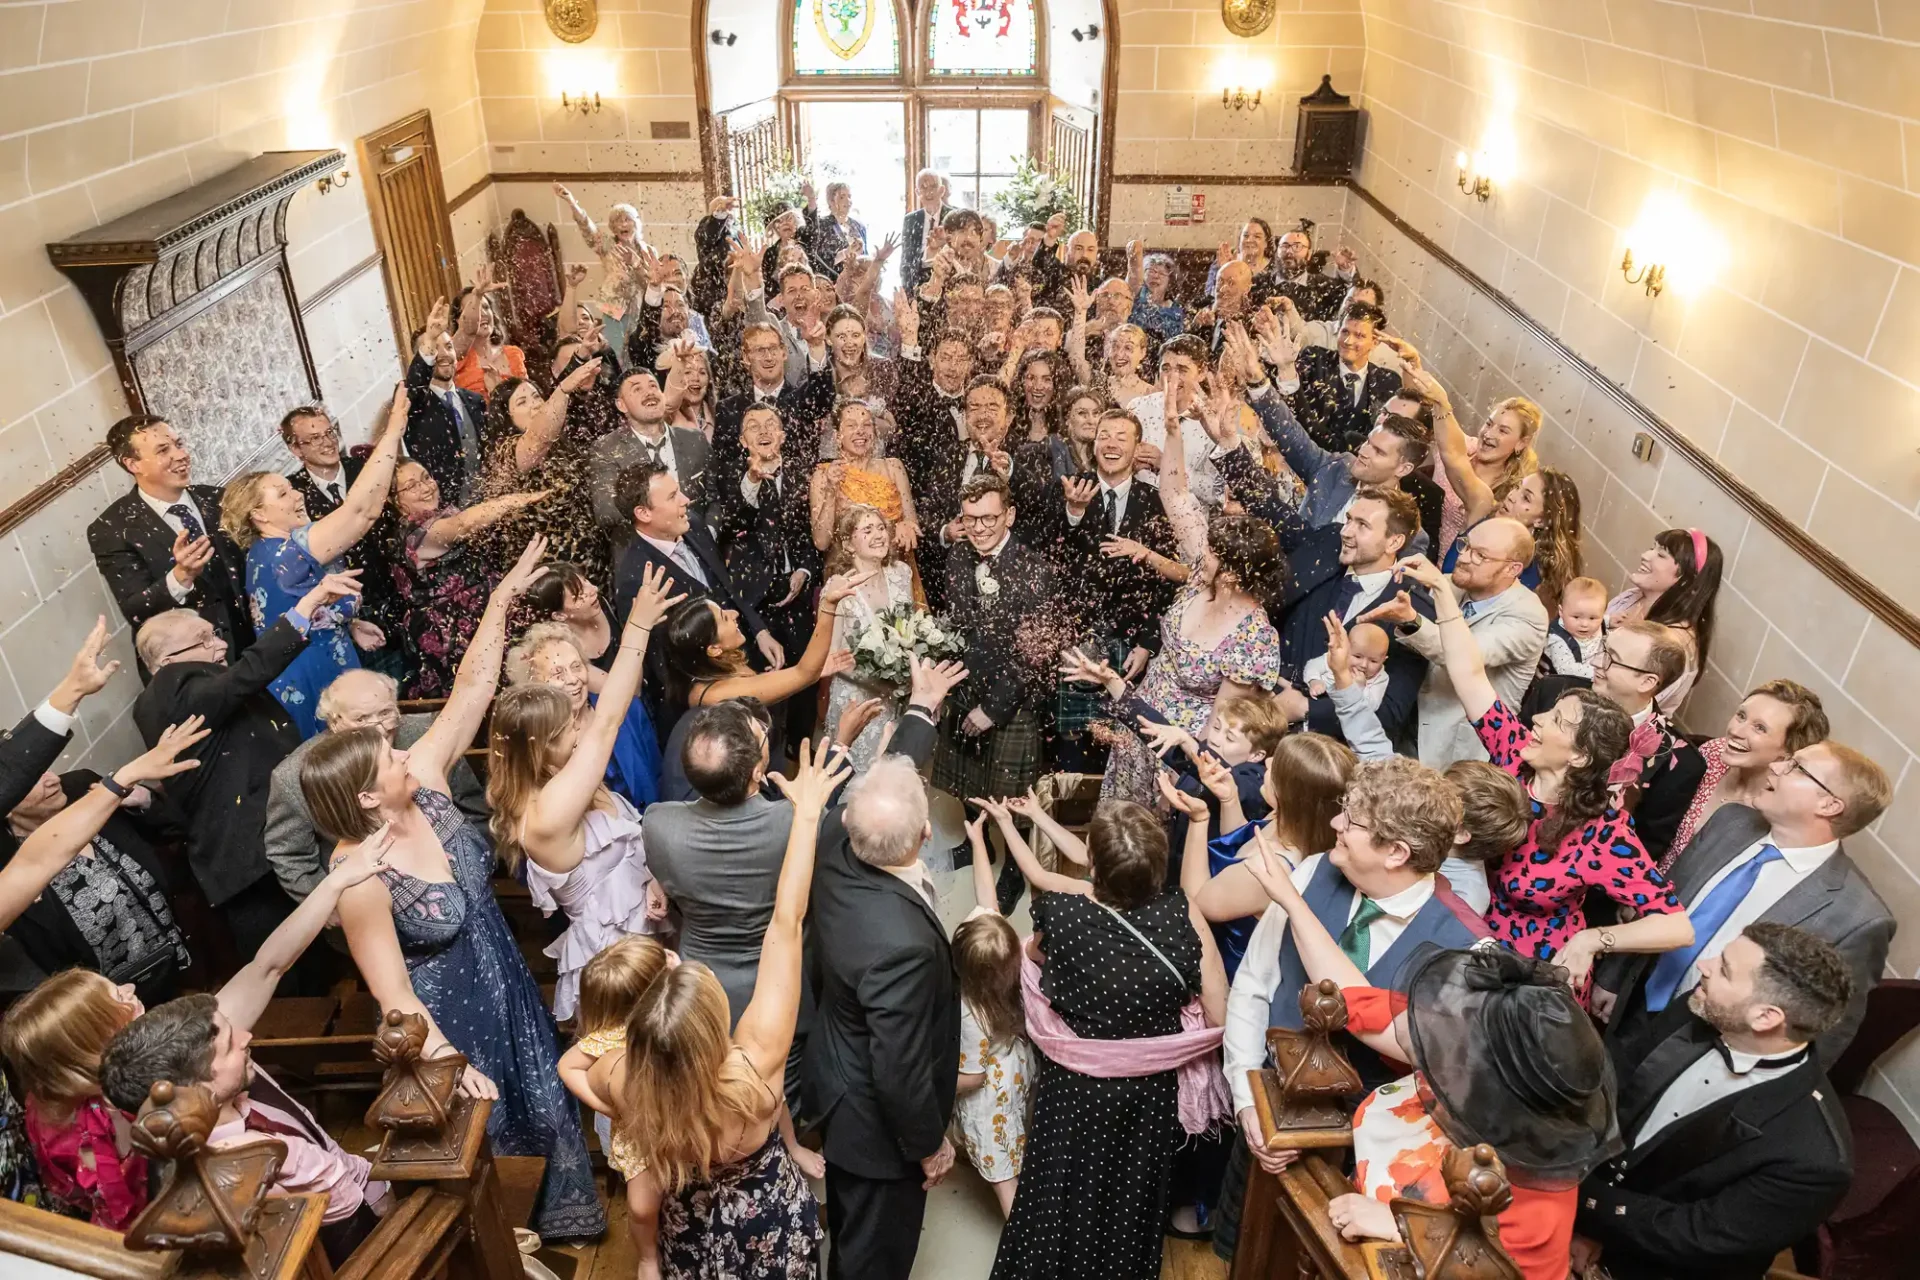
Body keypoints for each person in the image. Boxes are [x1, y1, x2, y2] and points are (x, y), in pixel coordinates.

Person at [303, 536, 607, 1241]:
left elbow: (472, 690)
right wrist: (447, 1061)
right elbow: (395, 997)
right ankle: (510, 1248)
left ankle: (563, 1232)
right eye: (388, 757)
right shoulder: (359, 875)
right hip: (450, 1017)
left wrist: (501, 599)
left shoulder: (427, 784)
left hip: (501, 976)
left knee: (542, 1101)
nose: (405, 747)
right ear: (368, 798)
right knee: (491, 1127)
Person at [601, 740, 853, 1278]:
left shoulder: (628, 1086)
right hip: (766, 1224)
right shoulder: (755, 1074)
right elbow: (786, 923)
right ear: (718, 1024)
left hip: (688, 1229)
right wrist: (806, 816)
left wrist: (647, 1260)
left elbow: (573, 1067)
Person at [95, 834, 406, 1265]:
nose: (247, 1037)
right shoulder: (243, 1170)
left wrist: (337, 883)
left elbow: (269, 965)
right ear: (193, 1086)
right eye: (229, 1045)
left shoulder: (200, 1053)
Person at [1389, 555, 1694, 991]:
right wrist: (1442, 593)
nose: (1537, 719)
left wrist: (1593, 939)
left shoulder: (1600, 834)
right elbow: (1468, 673)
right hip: (1455, 926)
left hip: (1525, 975)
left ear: (1579, 758)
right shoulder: (1514, 756)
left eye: (1557, 722)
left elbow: (1677, 926)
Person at [1250, 937, 1620, 1280]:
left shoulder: (1535, 1197)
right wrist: (1346, 1005)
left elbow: (1482, 1263)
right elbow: (1383, 1010)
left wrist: (1405, 1226)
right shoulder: (1462, 1069)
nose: (1443, 1043)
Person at [986, 802, 1229, 1280]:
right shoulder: (1183, 915)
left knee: (1057, 1199)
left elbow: (1029, 963)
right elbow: (1221, 1016)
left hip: (1074, 1094)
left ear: (1093, 865)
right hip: (1148, 1098)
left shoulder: (1060, 915)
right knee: (1129, 1205)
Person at [804, 658, 966, 1280]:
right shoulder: (902, 947)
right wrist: (929, 1145)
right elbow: (896, 1066)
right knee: (875, 1259)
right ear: (926, 837)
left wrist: (923, 708)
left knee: (848, 1238)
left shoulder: (836, 844)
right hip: (878, 1132)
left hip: (836, 1089)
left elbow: (886, 784)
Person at [1575, 924, 1855, 1280]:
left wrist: (1582, 1204)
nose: (1704, 966)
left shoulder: (1815, 1160)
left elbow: (1693, 1235)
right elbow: (1615, 1087)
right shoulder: (1698, 1009)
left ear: (1765, 1017)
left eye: (1724, 970)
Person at [1598, 738, 1893, 1067]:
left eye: (1795, 767)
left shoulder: (1857, 916)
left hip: (1711, 1051)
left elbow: (1828, 1032)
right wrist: (1614, 976)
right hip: (1632, 1003)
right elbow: (1661, 902)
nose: (1776, 767)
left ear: (1828, 805)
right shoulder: (1732, 822)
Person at [131, 569, 361, 976]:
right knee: (289, 981)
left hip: (265, 854)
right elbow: (247, 673)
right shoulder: (171, 687)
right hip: (252, 864)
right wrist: (305, 608)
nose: (219, 644)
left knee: (322, 969)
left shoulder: (198, 686)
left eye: (214, 633)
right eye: (202, 640)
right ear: (166, 661)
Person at [485, 563, 681, 1021]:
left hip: (647, 926)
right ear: (540, 747)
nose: (578, 730)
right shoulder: (550, 812)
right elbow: (608, 718)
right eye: (565, 729)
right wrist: (638, 624)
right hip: (616, 956)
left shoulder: (551, 782)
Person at [1063, 424, 1285, 807]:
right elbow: (1175, 494)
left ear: (1233, 573)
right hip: (1138, 719)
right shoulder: (1204, 579)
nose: (1203, 556)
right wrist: (1171, 431)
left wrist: (1186, 770)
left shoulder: (1253, 637)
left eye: (1213, 553)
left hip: (1179, 751)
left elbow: (1221, 725)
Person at [222, 385, 408, 736]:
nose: (296, 495)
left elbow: (303, 607)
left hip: (333, 662)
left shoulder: (273, 552)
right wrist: (395, 427)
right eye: (283, 494)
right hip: (312, 678)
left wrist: (348, 625)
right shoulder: (284, 555)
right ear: (259, 515)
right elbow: (362, 512)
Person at [0, 716, 206, 1009]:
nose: (53, 778)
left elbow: (176, 828)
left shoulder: (86, 790)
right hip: (113, 1007)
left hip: (178, 964)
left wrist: (144, 800)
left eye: (47, 766)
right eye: (34, 777)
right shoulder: (12, 873)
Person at [264, 669, 489, 902]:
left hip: (453, 883)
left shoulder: (426, 735)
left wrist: (472, 869)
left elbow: (473, 808)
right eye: (361, 719)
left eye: (385, 713)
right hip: (364, 899)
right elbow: (289, 854)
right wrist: (326, 905)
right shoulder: (294, 775)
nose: (379, 729)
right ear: (335, 722)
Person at [1361, 517, 1549, 768]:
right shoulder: (1456, 584)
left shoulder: (1528, 617)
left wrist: (1413, 619)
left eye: (1480, 555)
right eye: (1466, 546)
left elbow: (1464, 657)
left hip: (1451, 748)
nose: (1464, 558)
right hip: (1405, 715)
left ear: (1512, 569)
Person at [612, 460, 782, 714]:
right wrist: (722, 693)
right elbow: (665, 668)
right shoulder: (635, 580)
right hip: (714, 702)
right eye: (672, 497)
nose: (686, 500)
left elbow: (726, 589)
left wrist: (759, 631)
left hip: (747, 656)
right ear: (643, 513)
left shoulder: (692, 524)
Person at [932, 474, 1059, 809]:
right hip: (964, 690)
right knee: (967, 795)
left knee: (1012, 805)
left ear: (1010, 516)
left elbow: (1036, 654)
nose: (979, 528)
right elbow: (955, 631)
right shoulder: (958, 556)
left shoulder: (1035, 569)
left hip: (1012, 702)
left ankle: (1016, 864)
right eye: (970, 518)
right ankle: (973, 848)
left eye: (989, 517)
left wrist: (992, 709)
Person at [88, 415, 253, 658]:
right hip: (193, 663)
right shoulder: (112, 528)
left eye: (179, 444)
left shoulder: (217, 498)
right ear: (134, 464)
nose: (180, 455)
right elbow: (135, 610)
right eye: (164, 450)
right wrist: (181, 576)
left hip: (255, 649)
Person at [388, 458, 549, 698]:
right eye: (411, 486)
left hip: (486, 622)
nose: (426, 487)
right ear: (396, 501)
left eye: (426, 477)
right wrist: (512, 501)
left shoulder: (440, 515)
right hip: (455, 640)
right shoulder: (415, 536)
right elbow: (463, 524)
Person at [1, 970, 149, 1229]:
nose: (130, 987)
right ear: (99, 1041)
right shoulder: (121, 1113)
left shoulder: (45, 1097)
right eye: (118, 996)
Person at [950, 811, 1038, 1217]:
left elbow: (972, 1077)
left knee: (1006, 1179)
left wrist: (931, 1084)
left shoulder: (970, 1013)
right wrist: (979, 841)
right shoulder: (1012, 961)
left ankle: (1024, 1249)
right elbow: (988, 898)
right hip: (1018, 1065)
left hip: (990, 1096)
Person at [474, 360, 612, 582]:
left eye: (537, 396)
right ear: (506, 416)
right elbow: (538, 440)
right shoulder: (504, 451)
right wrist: (564, 389)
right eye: (522, 402)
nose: (536, 404)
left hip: (593, 565)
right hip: (550, 576)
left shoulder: (560, 444)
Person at [1583, 621, 1707, 865]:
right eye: (1602, 649)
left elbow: (1640, 849)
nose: (1595, 661)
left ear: (1647, 682)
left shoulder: (1678, 763)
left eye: (1611, 658)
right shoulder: (1552, 692)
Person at [281, 406, 402, 655]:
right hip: (345, 616)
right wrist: (348, 621)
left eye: (330, 433)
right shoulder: (292, 494)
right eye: (314, 438)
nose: (327, 443)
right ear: (295, 449)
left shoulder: (367, 470)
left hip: (396, 594)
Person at [506, 621, 663, 813]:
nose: (573, 679)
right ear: (536, 686)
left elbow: (659, 776)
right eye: (558, 673)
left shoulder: (629, 710)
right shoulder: (538, 742)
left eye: (576, 666)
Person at [1668, 679, 1829, 864]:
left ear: (1788, 751)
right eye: (1741, 716)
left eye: (1759, 728)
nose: (1736, 731)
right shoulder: (1713, 753)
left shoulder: (1774, 810)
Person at [820, 504, 920, 771]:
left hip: (898, 698)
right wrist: (874, 676)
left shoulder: (901, 573)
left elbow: (909, 632)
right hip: (858, 700)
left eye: (880, 528)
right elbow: (829, 658)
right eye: (867, 530)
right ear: (848, 544)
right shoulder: (838, 588)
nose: (879, 535)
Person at [591, 368, 713, 562]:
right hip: (643, 559)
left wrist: (709, 535)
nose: (649, 392)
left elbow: (714, 498)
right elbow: (607, 512)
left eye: (653, 386)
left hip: (700, 554)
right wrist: (663, 525)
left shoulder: (695, 441)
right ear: (621, 405)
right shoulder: (606, 449)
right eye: (637, 389)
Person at [1606, 528, 1724, 716]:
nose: (1645, 556)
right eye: (1651, 548)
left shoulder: (1674, 644)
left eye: (1660, 555)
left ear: (1686, 580)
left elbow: (1627, 705)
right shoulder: (1632, 598)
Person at [404, 299, 490, 502]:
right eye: (435, 349)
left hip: (486, 503)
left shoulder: (475, 400)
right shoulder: (414, 405)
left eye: (449, 347)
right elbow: (414, 385)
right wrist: (429, 341)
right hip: (443, 512)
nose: (444, 355)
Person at [810, 399, 919, 556]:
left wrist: (905, 526)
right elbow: (821, 542)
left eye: (866, 425)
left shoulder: (894, 467)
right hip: (848, 569)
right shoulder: (823, 475)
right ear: (837, 436)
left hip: (895, 564)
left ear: (874, 431)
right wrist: (831, 490)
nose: (860, 431)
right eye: (851, 425)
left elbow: (912, 524)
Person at [1541, 574, 1608, 678]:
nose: (1584, 624)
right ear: (1561, 612)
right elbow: (1566, 669)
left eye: (1592, 618)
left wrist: (1611, 620)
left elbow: (1604, 620)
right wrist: (1602, 673)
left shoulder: (1599, 621)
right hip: (1562, 683)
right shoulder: (1557, 639)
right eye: (1576, 617)